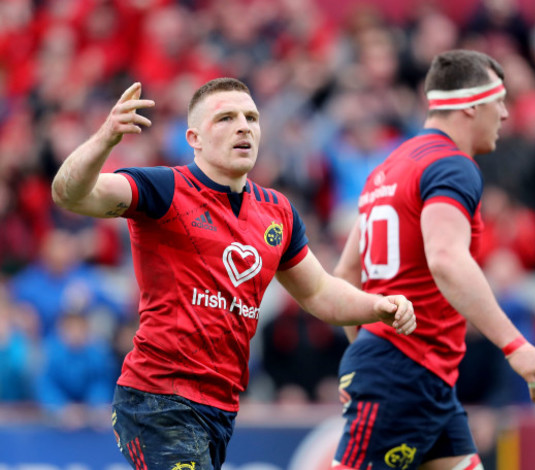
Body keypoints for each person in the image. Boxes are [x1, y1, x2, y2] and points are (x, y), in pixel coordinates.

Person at [51, 78, 416, 469]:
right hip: (157, 399)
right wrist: (105, 138)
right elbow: (69, 194)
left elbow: (319, 293)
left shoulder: (277, 211)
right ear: (195, 138)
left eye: (252, 117)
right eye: (226, 118)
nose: (244, 126)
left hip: (220, 407)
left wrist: (379, 305)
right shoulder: (164, 189)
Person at [331, 50, 535, 470]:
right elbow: (446, 259)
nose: (506, 114)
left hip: (418, 374)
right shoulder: (453, 165)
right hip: (405, 371)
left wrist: (366, 351)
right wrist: (516, 346)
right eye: (500, 101)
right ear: (472, 105)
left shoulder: (387, 168)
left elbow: (347, 273)